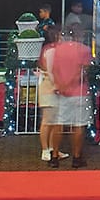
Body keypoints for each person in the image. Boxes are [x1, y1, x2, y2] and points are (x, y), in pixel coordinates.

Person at [45, 23, 93, 168]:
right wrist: (70, 85)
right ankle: (76, 157)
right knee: (79, 124)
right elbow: (82, 72)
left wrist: (61, 86)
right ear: (80, 35)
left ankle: (54, 156)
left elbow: (54, 70)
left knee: (59, 124)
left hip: (61, 92)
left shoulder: (57, 50)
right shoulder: (84, 50)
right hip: (79, 92)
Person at [36, 26, 64, 164]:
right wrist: (57, 85)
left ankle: (54, 149)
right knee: (47, 121)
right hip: (49, 87)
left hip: (52, 86)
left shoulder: (50, 49)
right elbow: (52, 71)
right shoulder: (52, 50)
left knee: (54, 121)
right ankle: (45, 149)